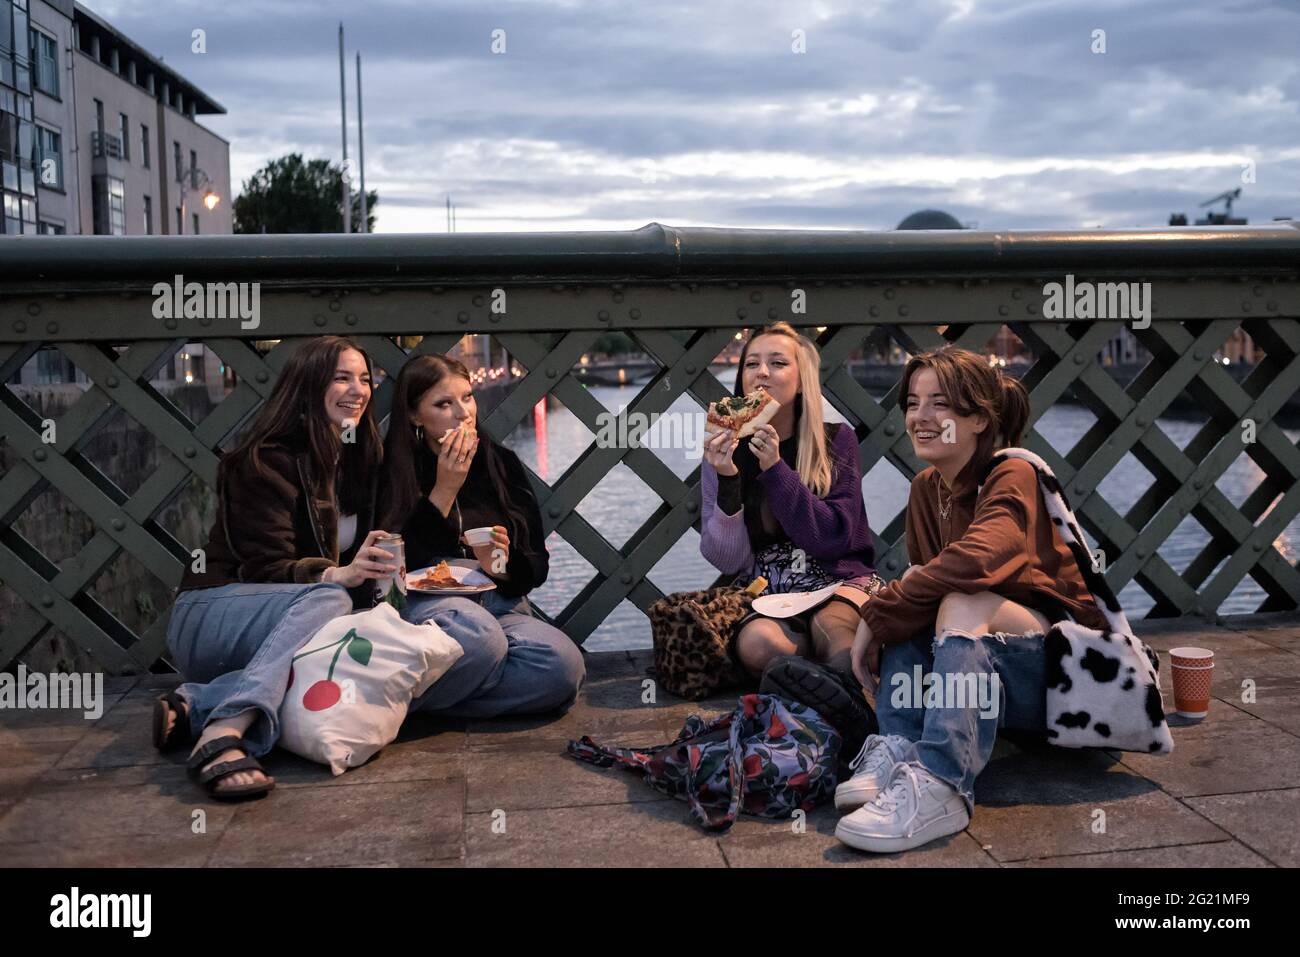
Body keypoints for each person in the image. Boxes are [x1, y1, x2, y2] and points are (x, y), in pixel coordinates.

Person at [836, 345, 1111, 853]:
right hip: (991, 683)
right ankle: (901, 745)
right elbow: (926, 589)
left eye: (939, 404)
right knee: (924, 592)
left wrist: (880, 609)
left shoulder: (1014, 473)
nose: (920, 417)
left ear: (980, 418)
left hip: (1070, 681)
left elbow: (984, 558)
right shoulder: (925, 489)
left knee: (954, 598)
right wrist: (896, 607)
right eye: (912, 402)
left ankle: (943, 783)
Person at [156, 336, 396, 801]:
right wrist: (335, 574)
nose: (358, 389)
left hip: (284, 637)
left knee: (363, 636)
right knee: (332, 598)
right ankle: (223, 731)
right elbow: (261, 566)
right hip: (214, 613)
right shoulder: (264, 460)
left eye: (365, 379)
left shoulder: (360, 459)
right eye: (342, 377)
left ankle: (199, 702)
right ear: (308, 384)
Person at [699, 322, 882, 752]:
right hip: (773, 591)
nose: (761, 372)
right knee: (757, 644)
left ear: (802, 381)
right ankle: (829, 689)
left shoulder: (837, 440)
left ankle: (858, 715)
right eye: (752, 364)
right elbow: (726, 559)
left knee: (834, 629)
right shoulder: (722, 446)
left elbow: (833, 538)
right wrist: (728, 478)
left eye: (778, 363)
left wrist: (776, 471)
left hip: (838, 578)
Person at [378, 354, 585, 719]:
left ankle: (411, 705)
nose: (463, 413)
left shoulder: (500, 463)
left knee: (563, 666)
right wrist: (443, 491)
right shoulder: (394, 470)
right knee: (479, 638)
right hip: (430, 611)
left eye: (467, 397)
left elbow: (535, 568)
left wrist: (500, 564)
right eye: (444, 403)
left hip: (499, 605)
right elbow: (389, 573)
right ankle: (448, 681)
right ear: (414, 416)